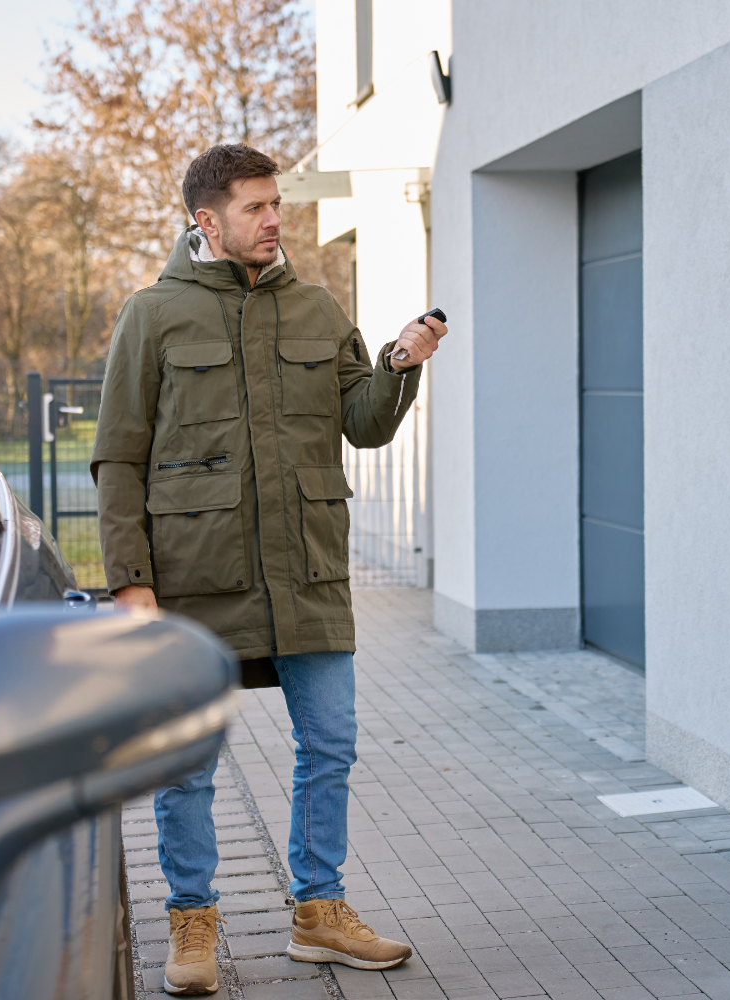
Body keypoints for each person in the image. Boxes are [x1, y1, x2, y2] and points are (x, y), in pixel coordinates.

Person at [92, 143, 445, 996]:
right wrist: (131, 581)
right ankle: (192, 923)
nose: (275, 220)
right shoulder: (154, 315)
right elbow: (118, 455)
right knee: (189, 759)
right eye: (256, 207)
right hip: (193, 582)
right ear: (206, 220)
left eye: (277, 204)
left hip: (307, 575)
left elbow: (361, 423)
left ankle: (318, 914)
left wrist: (399, 364)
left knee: (330, 744)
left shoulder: (318, 309)